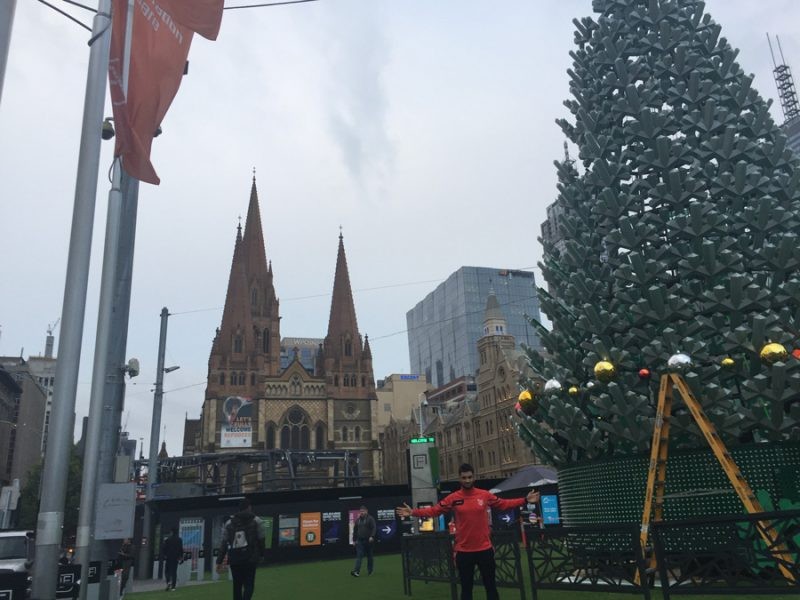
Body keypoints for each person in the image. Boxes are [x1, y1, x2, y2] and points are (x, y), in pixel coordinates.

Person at [396, 463, 540, 600]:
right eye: (464, 477)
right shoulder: (453, 498)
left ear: (474, 477)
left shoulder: (484, 495)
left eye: (470, 477)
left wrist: (525, 500)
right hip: (464, 552)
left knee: (491, 588)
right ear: (460, 478)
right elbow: (435, 510)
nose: (467, 480)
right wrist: (413, 512)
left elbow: (503, 504)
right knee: (466, 590)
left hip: (485, 550)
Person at [216, 498, 265, 600]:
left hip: (235, 558)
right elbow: (261, 540)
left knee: (237, 586)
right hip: (250, 558)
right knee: (249, 584)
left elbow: (224, 543)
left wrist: (219, 561)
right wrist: (261, 555)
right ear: (249, 507)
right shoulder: (257, 521)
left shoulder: (229, 523)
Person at [350, 505, 376, 577]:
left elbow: (374, 528)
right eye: (361, 511)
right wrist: (354, 540)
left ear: (366, 511)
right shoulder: (358, 520)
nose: (362, 513)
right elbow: (355, 531)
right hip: (360, 541)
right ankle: (356, 571)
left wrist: (372, 536)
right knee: (359, 556)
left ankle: (370, 571)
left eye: (363, 511)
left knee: (369, 556)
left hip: (368, 540)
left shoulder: (370, 519)